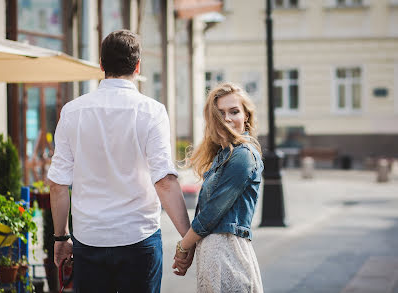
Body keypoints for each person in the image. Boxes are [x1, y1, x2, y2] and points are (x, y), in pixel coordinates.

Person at [47, 30, 193, 293]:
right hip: (139, 238)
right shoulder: (152, 111)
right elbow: (165, 181)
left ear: (101, 65)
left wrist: (61, 237)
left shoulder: (72, 112)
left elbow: (58, 184)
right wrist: (188, 238)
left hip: (89, 239)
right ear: (137, 66)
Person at [173, 82, 265, 292]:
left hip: (229, 256)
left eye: (234, 111)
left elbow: (212, 213)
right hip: (214, 257)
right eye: (220, 113)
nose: (227, 119)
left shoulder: (243, 155)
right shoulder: (224, 155)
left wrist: (183, 247)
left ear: (246, 116)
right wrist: (192, 248)